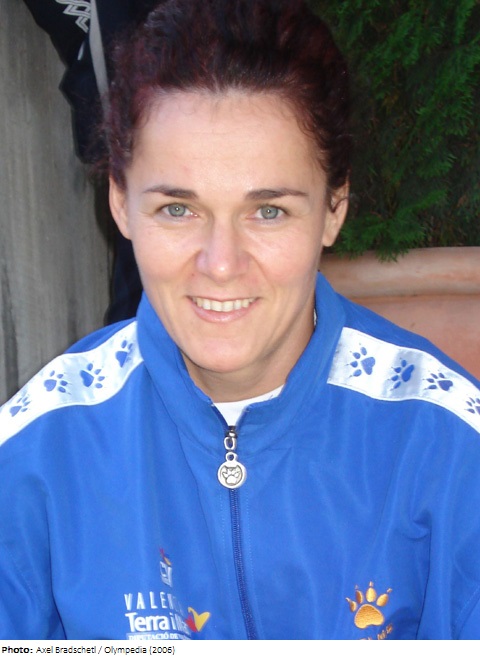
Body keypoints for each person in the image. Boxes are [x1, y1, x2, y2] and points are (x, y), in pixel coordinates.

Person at [1, 0, 480, 641]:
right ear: (120, 203)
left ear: (334, 208)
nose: (221, 265)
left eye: (269, 212)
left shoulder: (449, 445)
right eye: (178, 209)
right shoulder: (35, 453)